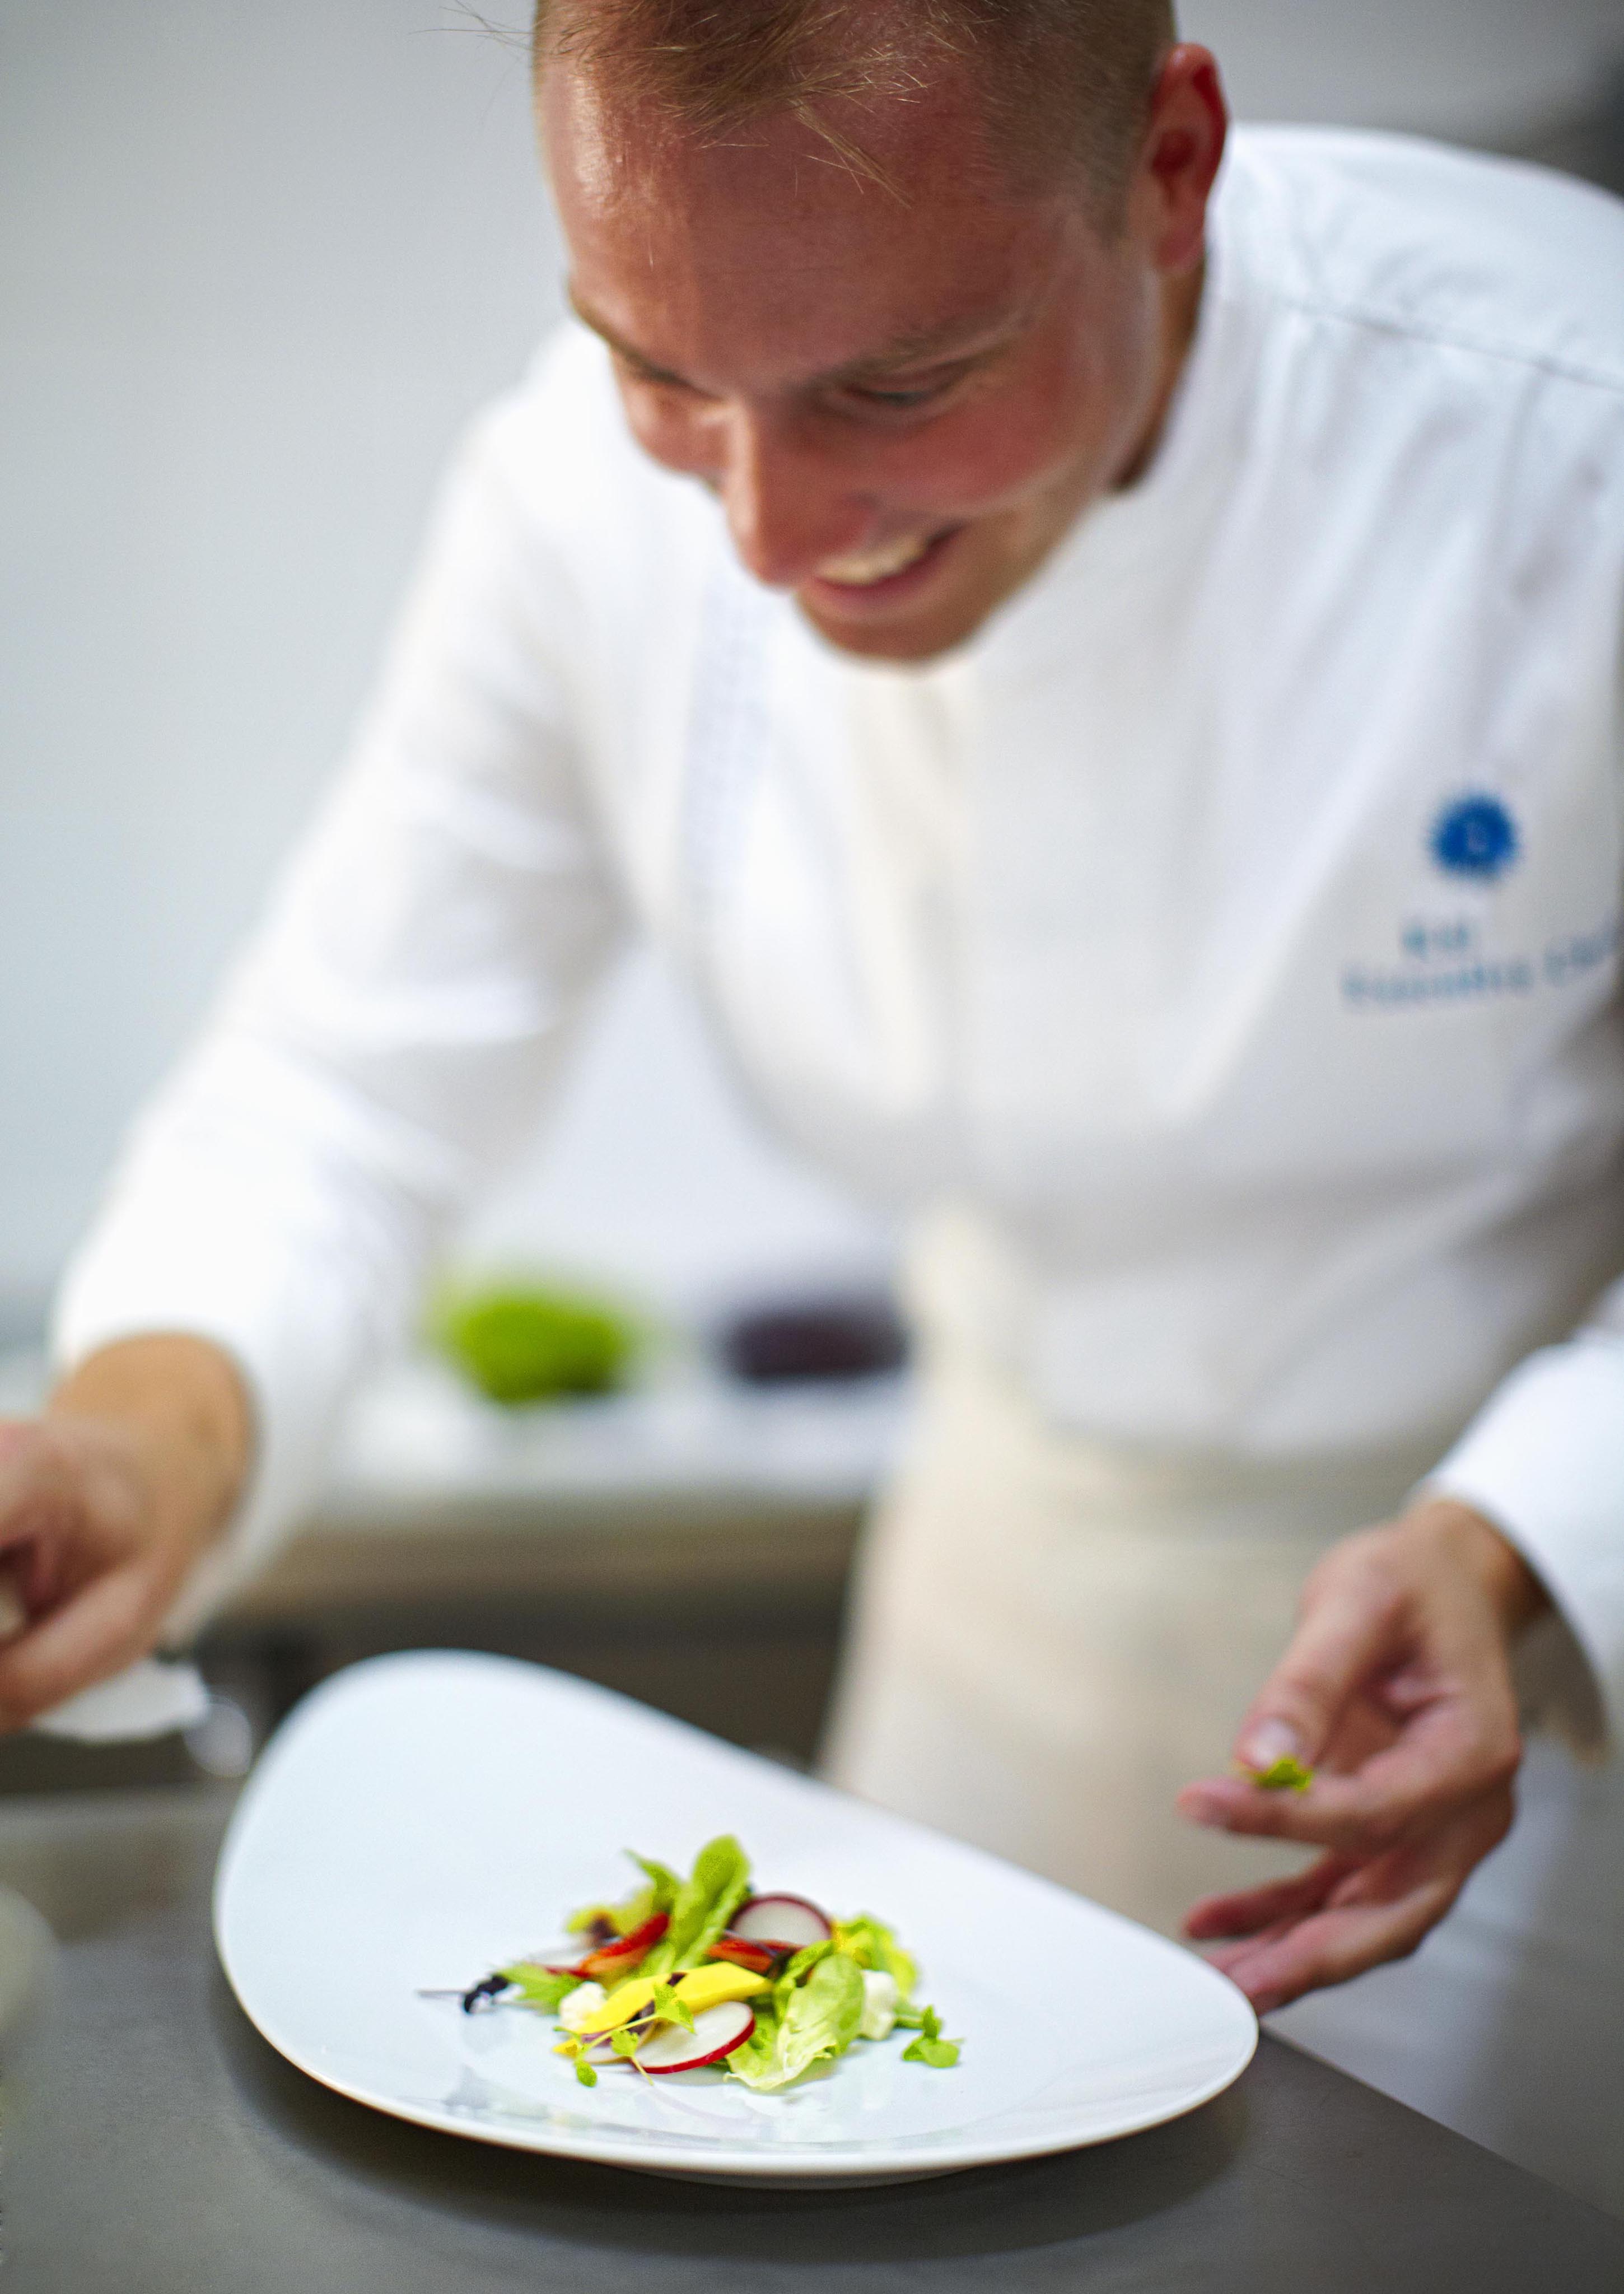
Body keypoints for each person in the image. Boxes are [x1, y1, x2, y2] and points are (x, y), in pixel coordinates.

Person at [4, 0, 1624, 2212]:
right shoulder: (569, 514)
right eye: (654, 368)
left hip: (1524, 1696)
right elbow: (340, 1096)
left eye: (896, 384)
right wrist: (135, 1439)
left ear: (1165, 167)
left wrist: (1520, 1537)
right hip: (994, 1624)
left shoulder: (1566, 429)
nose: (762, 533)